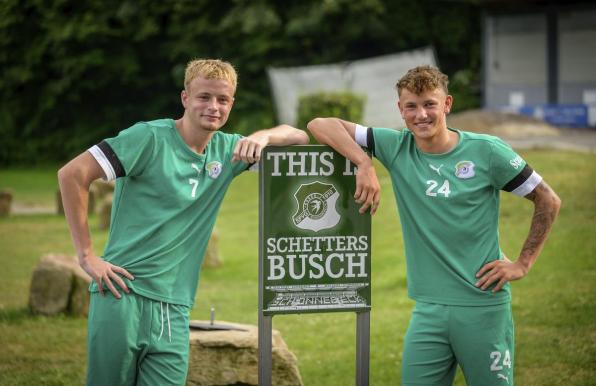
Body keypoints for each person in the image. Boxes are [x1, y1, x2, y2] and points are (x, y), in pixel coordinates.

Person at [58, 58, 309, 386]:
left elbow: (298, 136)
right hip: (121, 295)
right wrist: (87, 255)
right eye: (204, 97)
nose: (213, 107)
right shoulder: (148, 137)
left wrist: (262, 136)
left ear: (232, 103)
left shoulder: (228, 150)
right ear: (185, 98)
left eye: (223, 99)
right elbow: (72, 174)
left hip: (175, 308)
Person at [307, 65, 561, 385]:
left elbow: (548, 199)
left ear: (447, 104)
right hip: (428, 311)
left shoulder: (487, 151)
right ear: (400, 110)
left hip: (482, 304)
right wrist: (363, 162)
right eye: (411, 106)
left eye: (430, 103)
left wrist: (523, 263)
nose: (421, 114)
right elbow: (320, 124)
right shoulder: (396, 146)